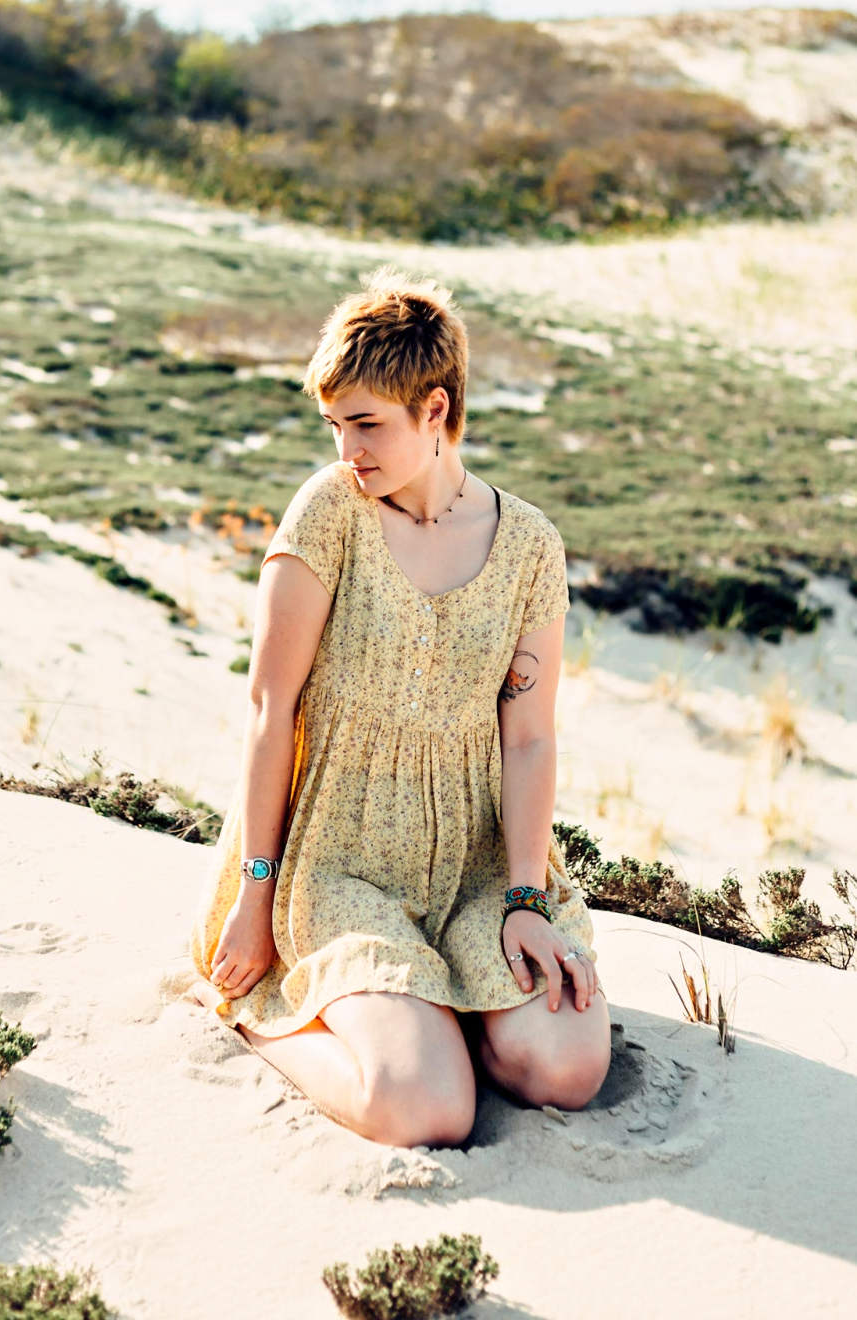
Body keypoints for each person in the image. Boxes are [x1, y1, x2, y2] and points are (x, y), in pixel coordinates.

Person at [188, 269, 611, 1147]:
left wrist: (525, 896)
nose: (349, 450)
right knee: (429, 1110)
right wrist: (255, 895)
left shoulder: (530, 546)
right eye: (336, 425)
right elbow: (272, 712)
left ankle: (444, 1003)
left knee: (567, 1069)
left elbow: (529, 738)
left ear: (435, 409)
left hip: (477, 859)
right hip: (339, 859)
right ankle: (260, 1020)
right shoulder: (328, 517)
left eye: (368, 424)